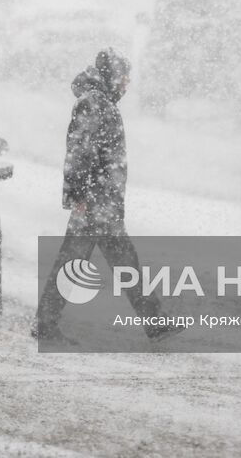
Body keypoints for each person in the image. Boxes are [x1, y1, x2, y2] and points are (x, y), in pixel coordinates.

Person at [33, 48, 179, 343]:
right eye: (124, 76)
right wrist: (79, 195)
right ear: (111, 75)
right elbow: (80, 151)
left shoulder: (101, 103)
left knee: (111, 262)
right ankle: (46, 323)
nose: (127, 83)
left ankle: (154, 321)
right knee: (91, 263)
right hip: (95, 204)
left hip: (102, 203)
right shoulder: (94, 104)